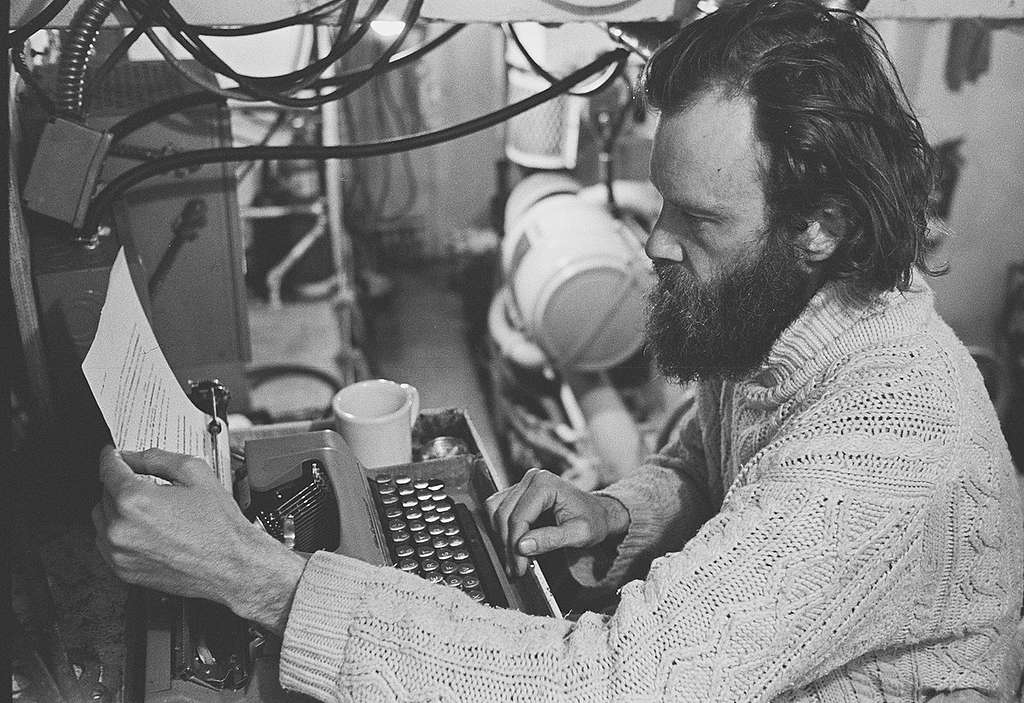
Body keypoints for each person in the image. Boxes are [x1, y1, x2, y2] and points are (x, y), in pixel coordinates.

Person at [94, 1, 1024, 700]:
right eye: (663, 201)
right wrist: (621, 509)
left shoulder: (890, 445)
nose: (657, 242)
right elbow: (721, 458)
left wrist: (257, 579)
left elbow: (610, 687)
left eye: (697, 217)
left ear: (820, 226)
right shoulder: (784, 308)